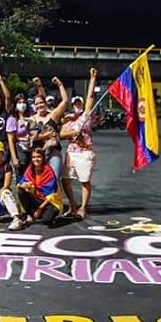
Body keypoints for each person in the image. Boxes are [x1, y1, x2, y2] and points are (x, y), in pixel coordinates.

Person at [60, 67, 99, 219]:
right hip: (71, 152)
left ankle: (83, 207)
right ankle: (72, 205)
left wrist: (92, 78)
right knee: (65, 179)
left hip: (85, 152)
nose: (77, 105)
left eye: (79, 103)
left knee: (84, 180)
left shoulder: (86, 115)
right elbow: (62, 134)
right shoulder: (68, 118)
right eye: (75, 103)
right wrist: (72, 133)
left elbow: (90, 97)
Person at [9, 148, 64, 230]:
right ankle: (29, 215)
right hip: (37, 198)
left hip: (49, 202)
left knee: (46, 220)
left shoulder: (48, 172)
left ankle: (43, 213)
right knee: (21, 191)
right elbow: (21, 182)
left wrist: (39, 209)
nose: (36, 159)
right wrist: (24, 185)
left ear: (43, 158)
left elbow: (51, 195)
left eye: (38, 157)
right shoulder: (30, 169)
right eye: (34, 157)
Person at [28, 77, 70, 181]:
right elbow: (32, 137)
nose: (39, 105)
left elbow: (65, 101)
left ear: (45, 103)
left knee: (53, 178)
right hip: (38, 154)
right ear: (34, 106)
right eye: (37, 104)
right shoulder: (31, 119)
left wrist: (60, 84)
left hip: (53, 152)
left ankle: (54, 196)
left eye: (41, 103)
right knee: (39, 180)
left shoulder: (53, 116)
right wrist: (46, 135)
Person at [6, 93, 32, 176]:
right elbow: (11, 140)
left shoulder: (32, 116)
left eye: (24, 102)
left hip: (32, 148)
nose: (22, 105)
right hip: (20, 150)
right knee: (22, 174)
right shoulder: (12, 119)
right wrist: (14, 158)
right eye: (19, 103)